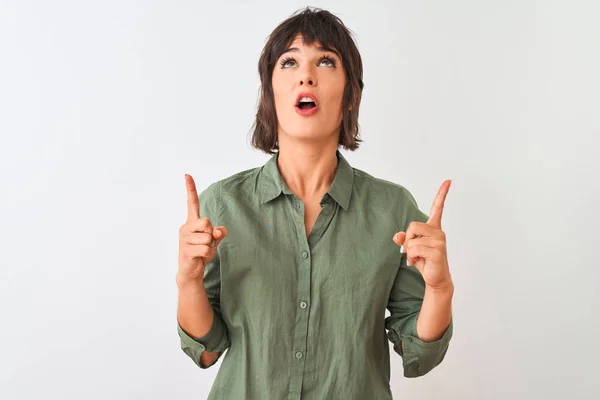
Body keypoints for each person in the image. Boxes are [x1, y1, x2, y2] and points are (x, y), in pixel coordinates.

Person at [176, 7, 454, 400]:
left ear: (348, 93)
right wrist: (187, 280)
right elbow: (205, 351)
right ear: (270, 91)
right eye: (289, 62)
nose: (306, 75)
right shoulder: (222, 204)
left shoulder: (393, 209)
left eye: (326, 61)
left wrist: (440, 289)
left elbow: (418, 354)